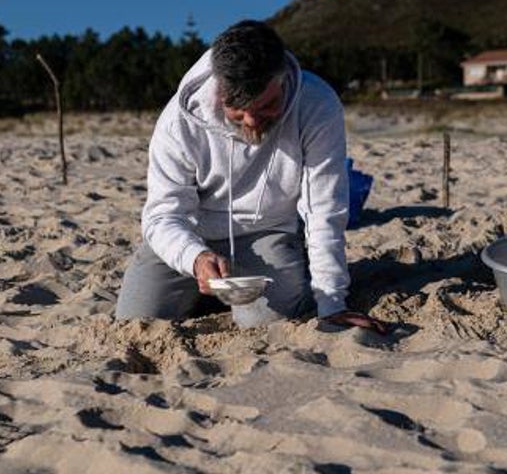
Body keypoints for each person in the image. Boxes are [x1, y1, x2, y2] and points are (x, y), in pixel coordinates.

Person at [115, 19, 385, 333]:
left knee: (265, 324)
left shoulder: (316, 105)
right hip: (192, 234)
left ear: (283, 78)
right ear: (218, 89)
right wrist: (194, 257)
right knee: (136, 322)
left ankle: (280, 276)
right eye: (238, 109)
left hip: (267, 230)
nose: (253, 121)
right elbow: (162, 215)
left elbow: (324, 210)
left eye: (267, 105)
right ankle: (203, 288)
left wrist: (332, 304)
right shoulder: (179, 120)